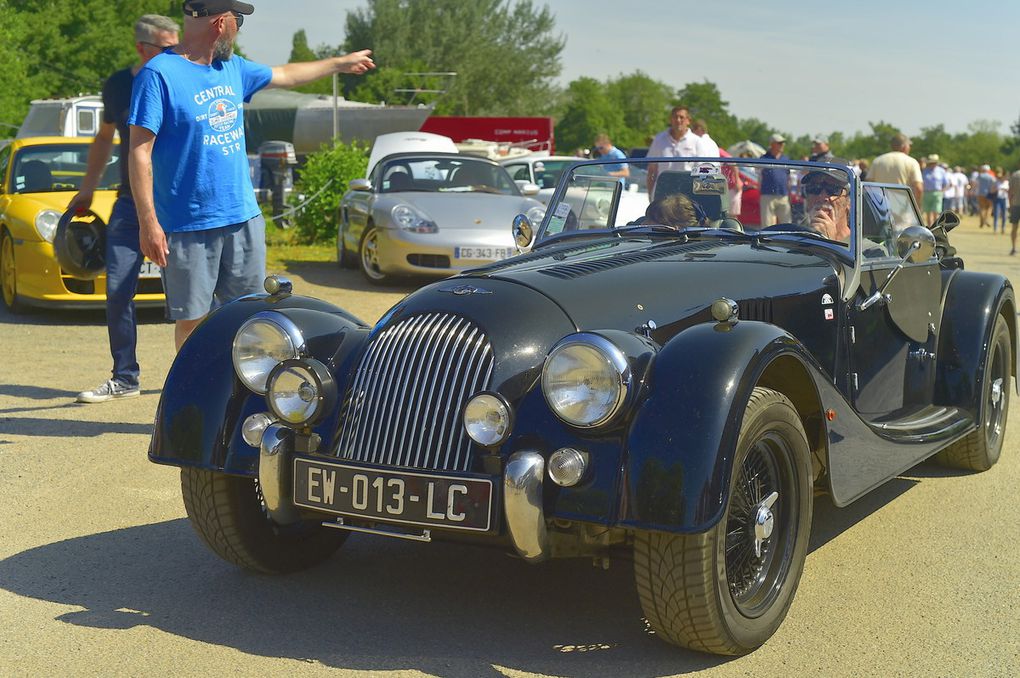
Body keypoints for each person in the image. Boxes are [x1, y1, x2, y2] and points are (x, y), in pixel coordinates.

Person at [129, 0, 374, 351]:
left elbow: (287, 74)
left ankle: (243, 390)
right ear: (220, 23)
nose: (240, 27)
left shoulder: (233, 69)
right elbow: (139, 152)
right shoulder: (159, 75)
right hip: (188, 223)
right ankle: (193, 391)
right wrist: (148, 222)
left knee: (251, 315)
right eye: (238, 19)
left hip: (243, 218)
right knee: (193, 321)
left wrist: (340, 63)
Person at [71, 15, 180, 404]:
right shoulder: (119, 85)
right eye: (167, 48)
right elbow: (104, 140)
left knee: (193, 299)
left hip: (176, 205)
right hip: (128, 204)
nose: (176, 53)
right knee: (117, 290)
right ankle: (125, 376)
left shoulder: (181, 76)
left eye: (177, 45)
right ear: (141, 48)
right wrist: (86, 190)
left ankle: (199, 380)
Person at [645, 105, 716, 195]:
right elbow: (652, 170)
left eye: (681, 117)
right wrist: (650, 195)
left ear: (688, 121)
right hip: (662, 193)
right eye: (675, 117)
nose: (678, 120)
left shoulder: (697, 142)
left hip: (687, 195)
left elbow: (702, 172)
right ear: (671, 120)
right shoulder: (659, 139)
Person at [868, 133, 923, 204]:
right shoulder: (911, 162)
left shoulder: (877, 161)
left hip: (881, 207)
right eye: (909, 145)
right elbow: (919, 188)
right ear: (904, 147)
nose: (910, 148)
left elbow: (868, 185)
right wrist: (917, 207)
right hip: (903, 207)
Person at [801, 169, 850, 242]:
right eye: (814, 188)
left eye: (833, 189)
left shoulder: (863, 248)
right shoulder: (795, 239)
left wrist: (829, 244)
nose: (822, 197)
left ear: (848, 201)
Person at [759, 133, 791, 225]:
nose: (782, 145)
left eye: (783, 143)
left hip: (783, 195)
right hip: (767, 195)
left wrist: (789, 195)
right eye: (780, 143)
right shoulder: (764, 158)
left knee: (787, 224)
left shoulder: (786, 159)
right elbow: (759, 176)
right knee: (767, 224)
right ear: (772, 144)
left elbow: (788, 177)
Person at [921, 154, 950, 224]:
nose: (932, 164)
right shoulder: (924, 171)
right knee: (928, 213)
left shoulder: (941, 171)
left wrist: (942, 191)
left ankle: (935, 229)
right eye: (931, 163)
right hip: (926, 193)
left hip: (937, 193)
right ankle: (930, 229)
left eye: (934, 163)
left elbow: (947, 183)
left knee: (935, 213)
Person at [975, 164, 998, 229]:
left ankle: (982, 222)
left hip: (980, 193)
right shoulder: (991, 176)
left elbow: (976, 183)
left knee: (982, 208)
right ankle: (986, 220)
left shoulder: (979, 176)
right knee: (989, 208)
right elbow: (994, 184)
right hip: (989, 193)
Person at [993, 167, 1009, 234]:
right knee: (996, 214)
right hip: (997, 199)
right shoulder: (996, 182)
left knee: (1004, 215)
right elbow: (992, 190)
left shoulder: (1007, 182)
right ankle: (995, 229)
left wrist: (1006, 190)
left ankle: (1003, 228)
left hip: (1004, 199)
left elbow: (1010, 190)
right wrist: (996, 190)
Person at [1009, 167, 1020, 255]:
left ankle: (1014, 248)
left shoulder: (1015, 174)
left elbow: (1010, 191)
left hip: (1016, 203)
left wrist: (1010, 204)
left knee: (1014, 228)